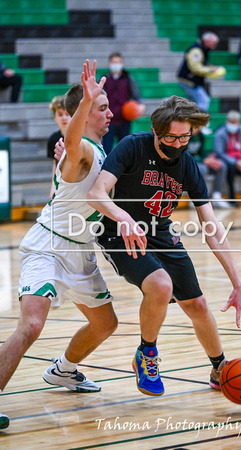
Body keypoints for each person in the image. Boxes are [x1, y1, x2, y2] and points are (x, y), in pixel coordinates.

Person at [87, 95, 241, 398]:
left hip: (161, 233)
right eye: (171, 137)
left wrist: (238, 282)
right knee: (161, 285)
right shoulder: (132, 147)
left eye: (184, 137)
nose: (177, 144)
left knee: (198, 305)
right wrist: (123, 217)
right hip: (117, 231)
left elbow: (212, 228)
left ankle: (219, 368)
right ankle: (146, 354)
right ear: (155, 130)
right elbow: (96, 193)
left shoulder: (188, 166)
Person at [0, 60, 118, 428]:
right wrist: (84, 103)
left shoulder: (106, 154)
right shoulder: (79, 148)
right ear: (83, 111)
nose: (110, 112)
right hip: (49, 246)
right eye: (102, 107)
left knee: (106, 324)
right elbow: (71, 141)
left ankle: (64, 370)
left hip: (81, 253)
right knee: (32, 325)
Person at [102, 52, 145, 154]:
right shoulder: (104, 79)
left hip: (125, 119)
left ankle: (124, 170)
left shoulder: (128, 79)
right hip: (108, 121)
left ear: (122, 64)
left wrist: (141, 106)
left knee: (125, 150)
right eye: (114, 62)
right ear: (109, 63)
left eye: (118, 62)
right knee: (106, 149)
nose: (116, 64)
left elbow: (137, 97)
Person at [177, 32, 226, 112]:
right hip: (189, 81)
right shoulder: (196, 50)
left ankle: (186, 118)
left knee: (189, 103)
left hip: (192, 80)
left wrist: (211, 67)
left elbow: (202, 64)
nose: (213, 47)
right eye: (213, 44)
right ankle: (199, 122)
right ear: (207, 41)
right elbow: (195, 68)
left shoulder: (202, 49)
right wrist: (210, 70)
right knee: (204, 100)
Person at [188, 127, 230, 208]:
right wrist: (203, 160)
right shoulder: (185, 136)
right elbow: (185, 155)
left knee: (221, 166)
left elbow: (203, 153)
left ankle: (217, 195)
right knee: (202, 169)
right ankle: (196, 197)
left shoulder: (201, 136)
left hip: (200, 162)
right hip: (189, 164)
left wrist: (209, 159)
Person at [47, 95, 71, 198]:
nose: (64, 118)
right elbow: (55, 165)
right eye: (60, 114)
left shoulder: (81, 136)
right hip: (62, 183)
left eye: (67, 114)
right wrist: (53, 188)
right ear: (54, 117)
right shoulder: (53, 139)